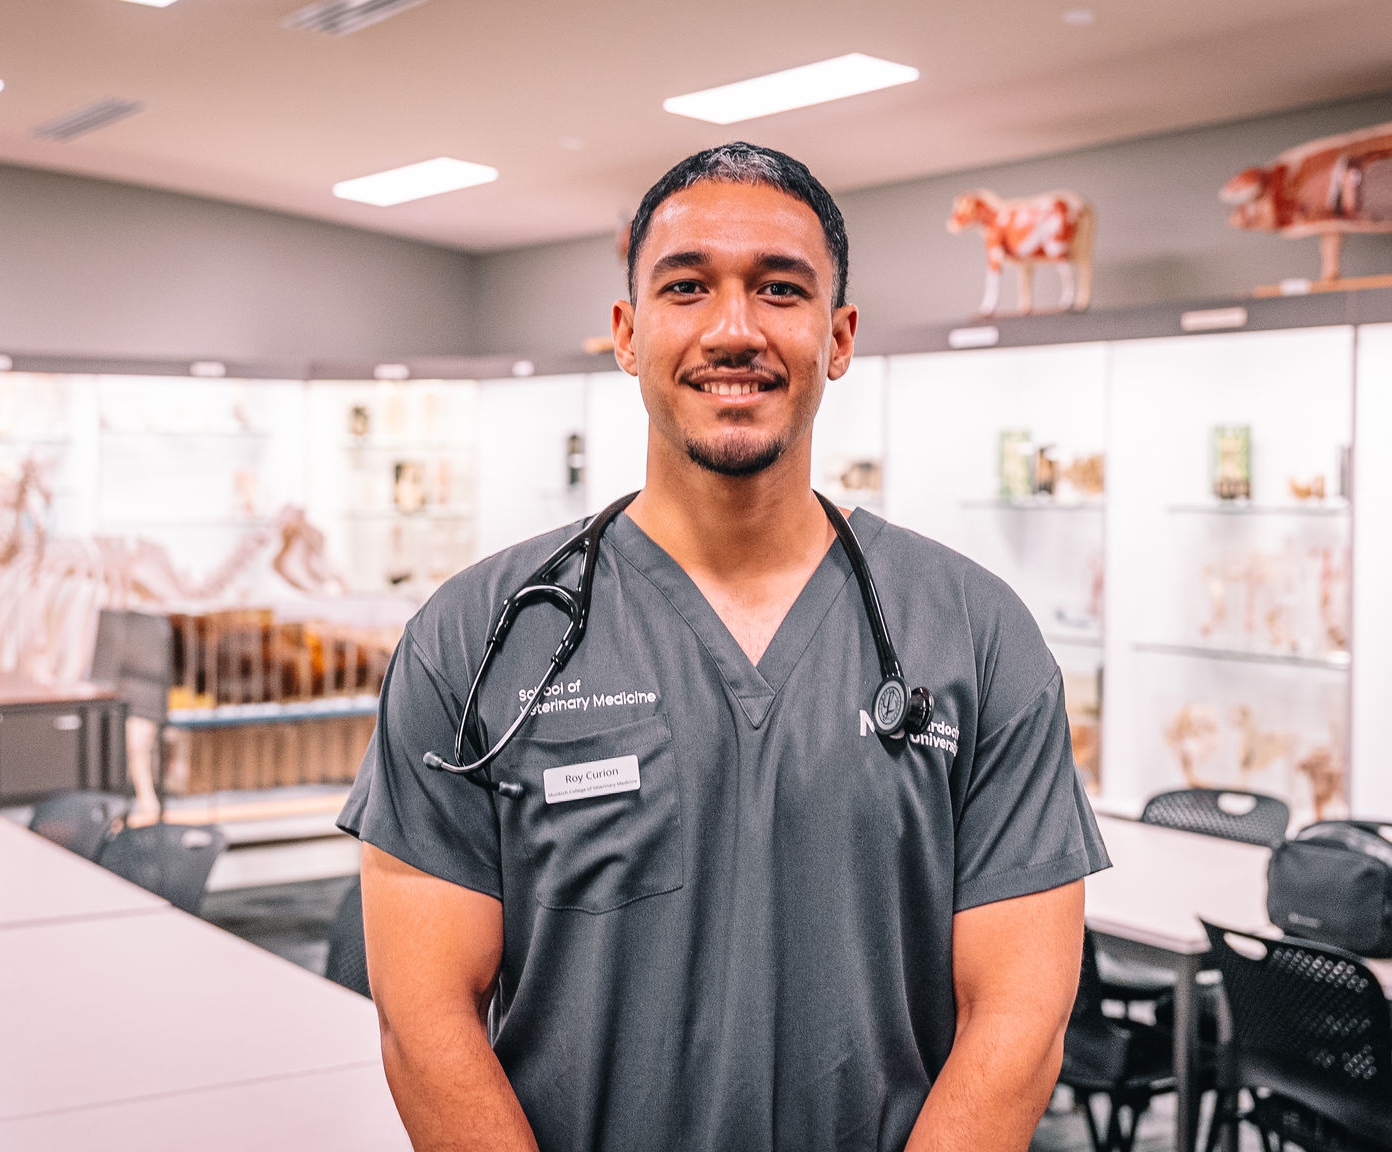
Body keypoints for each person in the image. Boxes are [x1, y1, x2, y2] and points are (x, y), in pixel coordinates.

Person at [339, 141, 1108, 1152]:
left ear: (837, 338)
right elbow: (424, 1017)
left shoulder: (974, 634)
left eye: (779, 291)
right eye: (688, 287)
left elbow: (1016, 1020)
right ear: (626, 333)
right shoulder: (476, 636)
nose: (733, 329)